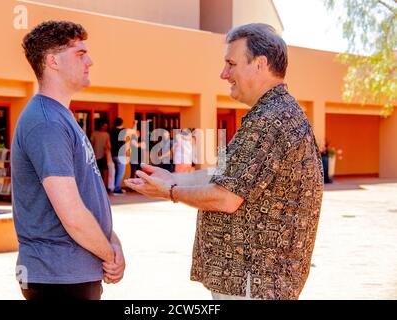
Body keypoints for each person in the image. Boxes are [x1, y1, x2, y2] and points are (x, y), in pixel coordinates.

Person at [125, 23, 324, 300]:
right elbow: (228, 175)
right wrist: (173, 178)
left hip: (253, 282)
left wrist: (170, 191)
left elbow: (225, 197)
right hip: (255, 281)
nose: (223, 74)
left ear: (260, 64)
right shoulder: (274, 113)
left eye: (231, 63)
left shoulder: (269, 120)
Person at [12, 21, 125, 300]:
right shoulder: (46, 122)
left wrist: (114, 242)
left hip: (71, 274)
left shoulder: (61, 117)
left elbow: (88, 199)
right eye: (79, 53)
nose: (90, 61)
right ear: (53, 61)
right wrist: (111, 256)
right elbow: (71, 214)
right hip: (58, 277)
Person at [90, 120, 112, 189]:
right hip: (95, 156)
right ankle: (97, 187)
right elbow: (91, 145)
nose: (105, 127)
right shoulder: (94, 134)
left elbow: (108, 146)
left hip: (103, 156)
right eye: (104, 126)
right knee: (96, 173)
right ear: (101, 126)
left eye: (106, 126)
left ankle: (104, 187)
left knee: (105, 172)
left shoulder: (107, 134)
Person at [109, 117, 129, 194]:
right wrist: (135, 124)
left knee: (117, 172)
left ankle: (116, 187)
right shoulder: (122, 131)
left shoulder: (111, 131)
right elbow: (133, 132)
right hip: (120, 155)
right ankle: (117, 189)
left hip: (113, 154)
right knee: (120, 173)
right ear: (122, 123)